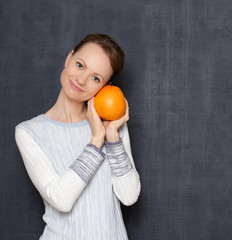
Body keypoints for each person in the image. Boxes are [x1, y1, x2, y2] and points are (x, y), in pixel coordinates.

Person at [15, 33, 140, 240]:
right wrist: (96, 140)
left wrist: (110, 135)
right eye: (80, 65)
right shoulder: (29, 132)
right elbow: (61, 200)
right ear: (69, 58)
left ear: (104, 87)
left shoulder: (112, 127)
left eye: (95, 78)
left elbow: (128, 196)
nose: (81, 80)